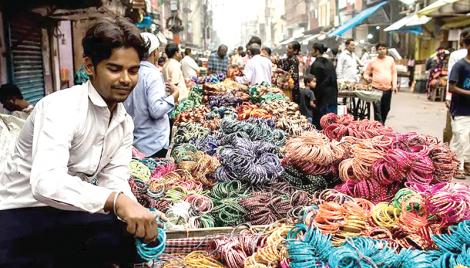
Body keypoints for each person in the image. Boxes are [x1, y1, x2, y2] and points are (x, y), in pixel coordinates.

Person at [0, 17, 168, 267]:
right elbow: (46, 184)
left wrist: (135, 209)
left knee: (129, 234)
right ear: (90, 67)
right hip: (18, 214)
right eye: (114, 68)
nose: (126, 79)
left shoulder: (123, 121)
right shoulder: (60, 107)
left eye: (133, 71)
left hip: (65, 213)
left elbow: (114, 179)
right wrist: (118, 201)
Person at [125, 32, 179, 159]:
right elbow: (156, 110)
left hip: (136, 141)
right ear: (155, 52)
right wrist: (174, 96)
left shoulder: (132, 72)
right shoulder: (152, 75)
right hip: (153, 144)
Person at [448, 32, 470, 179]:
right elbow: (452, 87)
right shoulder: (460, 65)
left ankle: (465, 163)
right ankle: (456, 166)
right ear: (467, 46)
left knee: (467, 139)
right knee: (460, 138)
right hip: (460, 109)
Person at [444, 30, 469, 143]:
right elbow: (451, 81)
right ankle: (446, 151)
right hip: (460, 108)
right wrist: (448, 97)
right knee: (459, 137)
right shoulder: (458, 61)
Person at [363, 43, 398, 125]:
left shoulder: (390, 60)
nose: (382, 51)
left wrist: (394, 85)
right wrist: (368, 78)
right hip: (376, 89)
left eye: (383, 49)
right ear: (377, 51)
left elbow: (394, 73)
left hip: (388, 89)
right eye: (380, 49)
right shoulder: (372, 61)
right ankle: (380, 127)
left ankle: (382, 125)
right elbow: (366, 73)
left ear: (386, 50)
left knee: (386, 108)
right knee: (377, 110)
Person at [309, 43, 338, 128]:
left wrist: (313, 98)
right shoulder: (329, 62)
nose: (311, 52)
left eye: (312, 50)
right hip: (332, 97)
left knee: (321, 123)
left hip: (321, 99)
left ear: (316, 51)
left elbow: (314, 83)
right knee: (331, 122)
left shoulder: (315, 65)